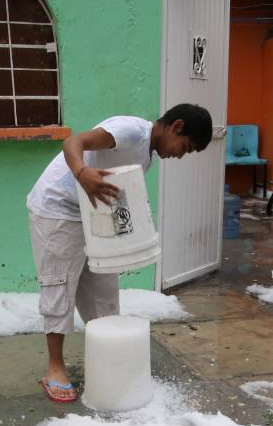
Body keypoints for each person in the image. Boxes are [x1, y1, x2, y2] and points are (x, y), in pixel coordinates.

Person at [26, 103, 213, 403]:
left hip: (93, 214)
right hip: (57, 209)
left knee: (104, 291)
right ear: (176, 126)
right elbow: (72, 142)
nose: (180, 155)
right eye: (185, 147)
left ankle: (108, 360)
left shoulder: (147, 156)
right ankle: (55, 369)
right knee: (59, 286)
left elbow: (116, 193)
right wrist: (82, 172)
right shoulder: (129, 131)